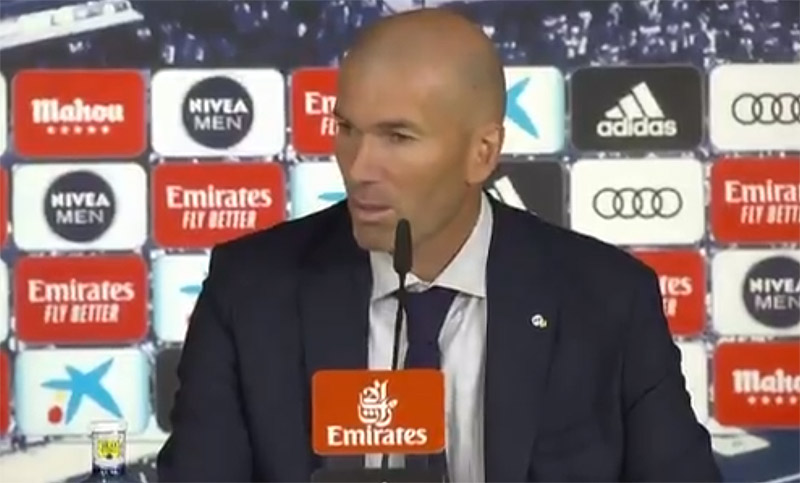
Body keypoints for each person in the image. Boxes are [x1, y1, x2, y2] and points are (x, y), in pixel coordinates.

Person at [157, 8, 722, 483]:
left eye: (397, 137)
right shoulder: (249, 292)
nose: (359, 167)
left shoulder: (608, 299)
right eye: (347, 129)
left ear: (483, 153)